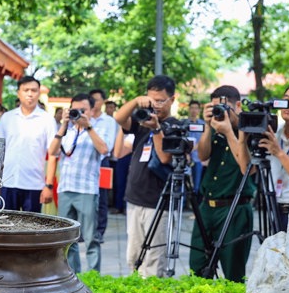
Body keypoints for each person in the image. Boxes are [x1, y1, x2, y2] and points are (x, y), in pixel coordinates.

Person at [113, 74, 178, 277]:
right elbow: (118, 118)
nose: (156, 105)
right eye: (152, 99)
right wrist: (135, 101)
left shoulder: (174, 125)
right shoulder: (143, 120)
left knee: (154, 261)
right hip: (135, 199)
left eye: (160, 100)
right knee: (134, 257)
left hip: (158, 203)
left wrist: (157, 129)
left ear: (172, 99)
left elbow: (165, 158)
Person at [190, 86, 254, 281]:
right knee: (197, 266)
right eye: (216, 109)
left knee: (233, 271)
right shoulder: (214, 125)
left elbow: (247, 168)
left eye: (224, 109)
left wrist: (228, 132)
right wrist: (209, 125)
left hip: (234, 209)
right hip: (207, 206)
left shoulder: (250, 126)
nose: (221, 113)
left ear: (238, 105)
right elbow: (202, 155)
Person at [47, 93, 110, 272]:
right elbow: (52, 151)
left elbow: (104, 149)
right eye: (76, 110)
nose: (80, 114)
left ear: (91, 110)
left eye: (84, 110)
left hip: (87, 190)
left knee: (90, 238)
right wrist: (63, 125)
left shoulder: (97, 129)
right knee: (68, 238)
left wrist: (88, 127)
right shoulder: (66, 130)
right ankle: (73, 276)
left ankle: (94, 277)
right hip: (66, 189)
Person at [0, 75, 57, 212]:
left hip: (34, 185)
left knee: (32, 229)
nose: (30, 94)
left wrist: (49, 186)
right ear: (19, 93)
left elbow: (53, 154)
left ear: (39, 93)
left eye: (34, 90)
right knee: (6, 226)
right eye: (26, 90)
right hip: (8, 183)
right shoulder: (7, 118)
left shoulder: (47, 120)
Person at [254, 83, 289, 232]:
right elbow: (246, 169)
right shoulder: (273, 134)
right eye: (286, 99)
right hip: (273, 207)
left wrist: (279, 153)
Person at [88, 88, 121, 244]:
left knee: (102, 198)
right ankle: (85, 230)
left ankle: (99, 231)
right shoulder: (84, 118)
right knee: (86, 197)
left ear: (103, 102)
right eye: (92, 99)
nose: (95, 103)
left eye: (98, 100)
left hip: (103, 162)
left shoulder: (109, 121)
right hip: (86, 162)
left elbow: (108, 145)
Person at [185, 100, 206, 193]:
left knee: (197, 185)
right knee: (185, 183)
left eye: (196, 108)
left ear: (199, 110)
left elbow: (204, 139)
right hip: (186, 157)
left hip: (198, 158)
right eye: (192, 108)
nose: (194, 110)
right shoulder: (184, 123)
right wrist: (186, 152)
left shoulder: (203, 124)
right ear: (189, 109)